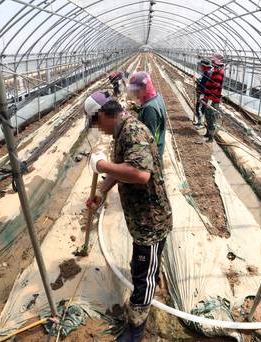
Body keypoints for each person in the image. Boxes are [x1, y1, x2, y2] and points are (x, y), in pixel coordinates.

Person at [83, 91, 172, 342]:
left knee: (142, 279)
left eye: (94, 122)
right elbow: (121, 167)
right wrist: (101, 191)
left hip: (151, 223)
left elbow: (139, 173)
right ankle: (148, 283)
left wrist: (100, 165)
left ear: (102, 115)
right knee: (142, 268)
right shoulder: (121, 131)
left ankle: (136, 330)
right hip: (140, 220)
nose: (96, 128)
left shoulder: (133, 131)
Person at [127, 71, 167, 157]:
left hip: (152, 154)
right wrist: (136, 108)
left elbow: (148, 137)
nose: (135, 94)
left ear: (145, 88)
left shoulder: (149, 109)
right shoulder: (156, 96)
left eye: (137, 91)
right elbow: (151, 117)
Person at [202, 54, 225, 143]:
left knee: (211, 117)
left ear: (217, 62)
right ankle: (208, 133)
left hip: (213, 99)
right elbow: (210, 85)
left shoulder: (219, 71)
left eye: (213, 61)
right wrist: (205, 97)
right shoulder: (215, 70)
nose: (212, 62)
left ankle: (211, 137)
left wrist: (209, 99)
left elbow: (215, 87)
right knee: (208, 116)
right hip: (210, 98)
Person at [194, 58, 212, 128]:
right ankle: (200, 122)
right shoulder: (208, 72)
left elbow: (204, 85)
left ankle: (200, 123)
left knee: (199, 108)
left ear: (204, 66)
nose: (200, 67)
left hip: (203, 94)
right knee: (202, 108)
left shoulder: (207, 73)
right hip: (205, 94)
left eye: (201, 65)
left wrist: (197, 81)